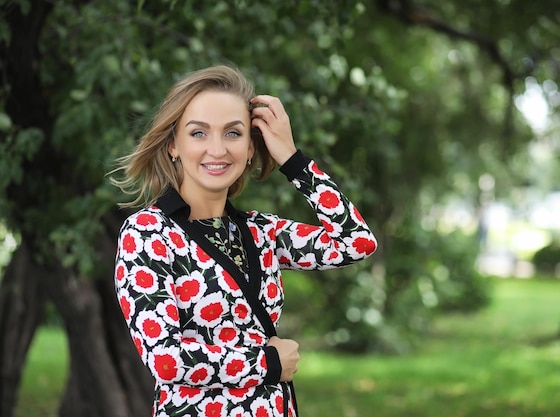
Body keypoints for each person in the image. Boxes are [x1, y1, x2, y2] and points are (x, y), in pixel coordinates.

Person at [111, 64, 377, 417]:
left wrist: (293, 161)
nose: (218, 149)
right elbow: (165, 360)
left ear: (252, 148)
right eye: (199, 133)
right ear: (173, 145)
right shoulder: (147, 234)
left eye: (233, 134)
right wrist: (268, 363)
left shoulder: (259, 232)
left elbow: (355, 241)